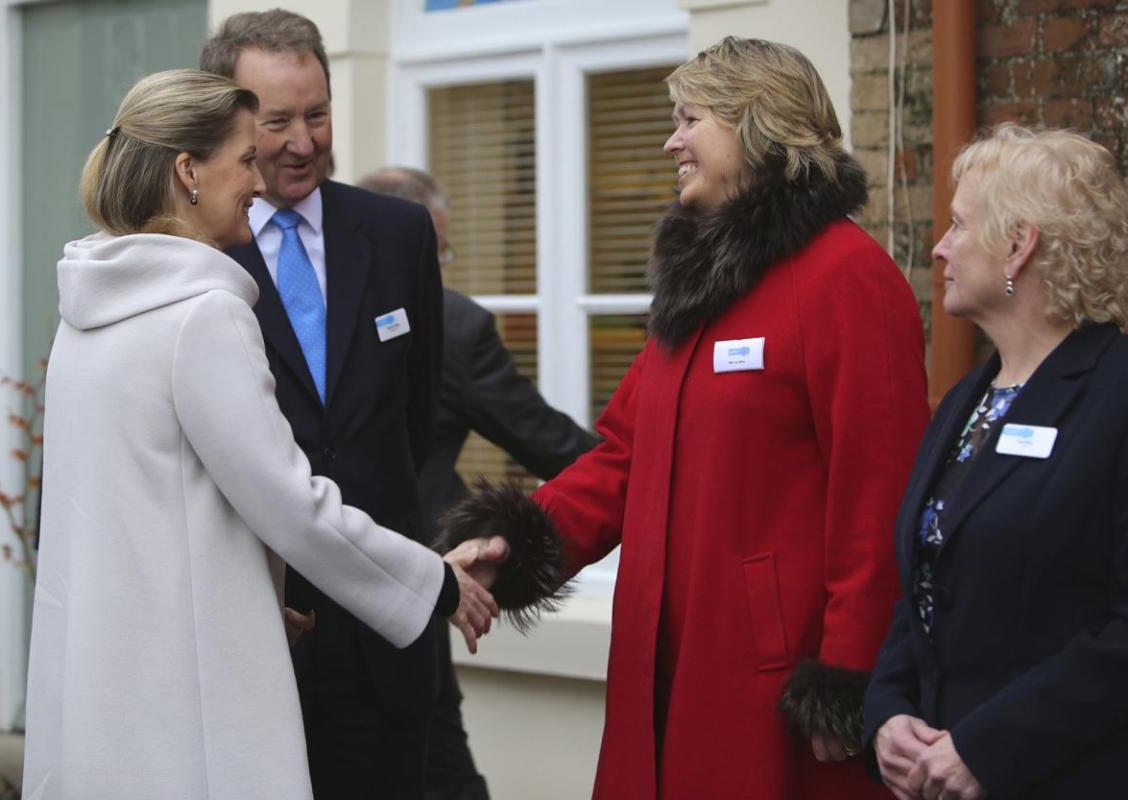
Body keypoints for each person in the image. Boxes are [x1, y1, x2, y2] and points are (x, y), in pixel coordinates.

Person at [438, 36, 929, 799]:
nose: (671, 140)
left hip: (772, 681)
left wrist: (850, 672)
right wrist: (520, 540)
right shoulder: (704, 282)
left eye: (689, 118)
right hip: (663, 658)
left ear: (755, 123)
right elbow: (624, 456)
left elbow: (879, 493)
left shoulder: (848, 277)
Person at [21, 69, 501, 800]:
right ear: (188, 171)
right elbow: (291, 502)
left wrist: (236, 590)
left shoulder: (88, 308)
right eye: (246, 158)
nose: (260, 178)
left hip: (108, 695)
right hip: (189, 716)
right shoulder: (202, 313)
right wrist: (434, 582)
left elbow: (123, 514)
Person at [200, 11, 447, 798]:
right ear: (230, 120)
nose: (303, 142)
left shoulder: (399, 233)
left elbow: (415, 422)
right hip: (258, 632)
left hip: (386, 644)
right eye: (275, 122)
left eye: (317, 113)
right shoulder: (199, 256)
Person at [863, 125, 1128, 800]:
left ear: (1018, 244)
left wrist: (989, 748)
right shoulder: (964, 401)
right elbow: (924, 582)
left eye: (958, 225)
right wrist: (887, 712)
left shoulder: (1115, 393)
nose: (939, 247)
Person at [360, 166, 600, 800]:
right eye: (437, 250)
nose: (439, 266)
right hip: (409, 592)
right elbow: (549, 442)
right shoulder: (452, 326)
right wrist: (649, 465)